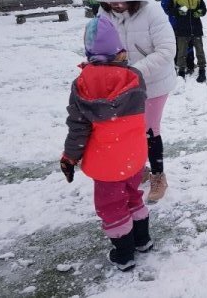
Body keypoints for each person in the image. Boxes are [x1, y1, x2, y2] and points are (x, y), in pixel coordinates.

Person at [60, 16, 153, 271]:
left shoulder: (82, 83)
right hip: (133, 157)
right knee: (133, 195)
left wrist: (69, 157)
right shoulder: (134, 77)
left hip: (106, 163)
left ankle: (124, 254)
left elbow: (78, 127)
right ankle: (142, 240)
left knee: (112, 206)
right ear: (119, 51)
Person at [93, 0, 176, 203]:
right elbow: (100, 46)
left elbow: (167, 50)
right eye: (110, 1)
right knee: (127, 130)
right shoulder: (104, 14)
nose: (115, 5)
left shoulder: (152, 11)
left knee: (149, 130)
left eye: (119, 0)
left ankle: (158, 176)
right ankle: (139, 169)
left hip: (154, 83)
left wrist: (133, 71)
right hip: (122, 85)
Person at [168, 0, 207, 83]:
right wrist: (179, 11)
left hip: (196, 28)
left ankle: (202, 71)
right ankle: (181, 72)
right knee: (182, 52)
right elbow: (169, 9)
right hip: (182, 29)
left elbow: (203, 9)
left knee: (200, 50)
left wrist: (198, 12)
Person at [160, 0, 196, 75]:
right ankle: (177, 64)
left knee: (189, 43)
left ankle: (190, 63)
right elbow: (166, 8)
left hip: (188, 23)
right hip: (175, 24)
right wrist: (182, 10)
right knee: (177, 45)